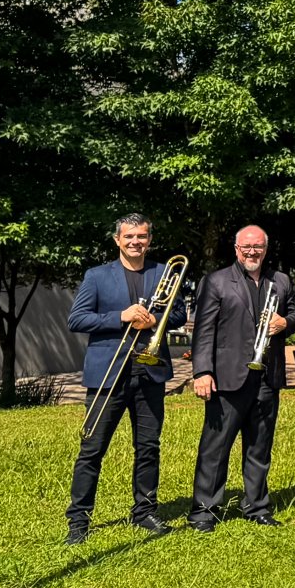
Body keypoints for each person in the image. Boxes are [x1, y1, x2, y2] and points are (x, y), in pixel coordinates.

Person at [64, 213, 187, 544]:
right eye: (129, 236)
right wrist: (121, 316)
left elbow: (179, 313)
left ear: (150, 239)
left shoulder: (164, 272)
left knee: (148, 447)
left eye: (142, 236)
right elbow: (77, 319)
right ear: (117, 240)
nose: (136, 242)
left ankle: (144, 512)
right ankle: (78, 521)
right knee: (92, 448)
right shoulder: (97, 276)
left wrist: (154, 320)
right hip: (109, 373)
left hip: (150, 370)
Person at [188, 225, 295, 531]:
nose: (252, 252)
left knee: (260, 447)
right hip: (227, 377)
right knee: (216, 447)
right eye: (247, 246)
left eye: (258, 247)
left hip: (266, 378)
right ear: (236, 249)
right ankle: (203, 511)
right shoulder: (217, 280)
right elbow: (204, 329)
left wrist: (285, 322)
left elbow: (293, 315)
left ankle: (257, 506)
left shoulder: (281, 280)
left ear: (266, 249)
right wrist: (202, 371)